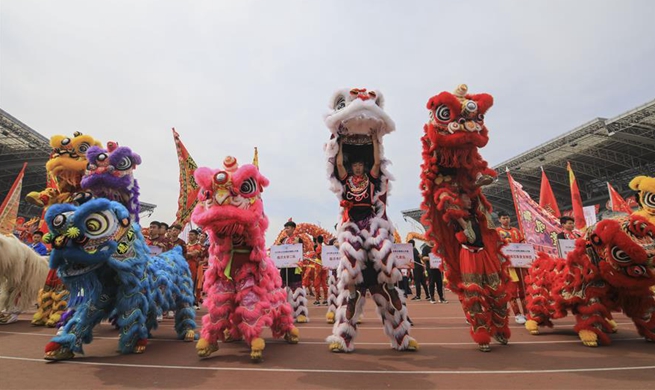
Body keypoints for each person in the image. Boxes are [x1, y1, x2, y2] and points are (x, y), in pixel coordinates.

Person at [327, 130, 416, 353]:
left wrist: (376, 140)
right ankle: (343, 336)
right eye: (354, 165)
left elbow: (376, 161)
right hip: (352, 223)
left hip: (370, 221)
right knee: (350, 277)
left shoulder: (371, 178)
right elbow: (338, 164)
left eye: (359, 165)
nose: (357, 168)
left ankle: (401, 333)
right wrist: (338, 142)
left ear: (363, 167)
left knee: (385, 270)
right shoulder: (346, 180)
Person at [453, 192, 510, 352]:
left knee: (498, 293)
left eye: (472, 198)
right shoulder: (454, 219)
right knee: (474, 297)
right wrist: (459, 218)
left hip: (486, 255)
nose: (470, 200)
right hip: (468, 256)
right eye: (466, 197)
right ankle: (482, 334)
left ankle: (499, 330)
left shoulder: (480, 216)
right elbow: (468, 238)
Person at [496, 211, 526, 324]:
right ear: (499, 220)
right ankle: (518, 314)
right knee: (512, 290)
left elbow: (523, 243)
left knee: (523, 289)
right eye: (504, 218)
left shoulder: (516, 231)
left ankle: (526, 313)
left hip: (520, 264)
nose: (506, 220)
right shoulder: (497, 232)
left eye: (507, 217)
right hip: (508, 266)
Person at [277, 219, 308, 323]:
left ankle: (300, 313)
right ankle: (283, 313)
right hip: (284, 269)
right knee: (283, 291)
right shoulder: (282, 241)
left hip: (294, 269)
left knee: (297, 291)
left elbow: (300, 252)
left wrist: (296, 244)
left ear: (294, 229)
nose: (286, 230)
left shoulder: (298, 240)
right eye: (285, 228)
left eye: (288, 228)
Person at [186, 229, 204, 309]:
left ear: (197, 236)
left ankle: (192, 301)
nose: (190, 236)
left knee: (192, 284)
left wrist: (185, 254)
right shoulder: (186, 245)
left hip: (192, 265)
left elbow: (193, 254)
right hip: (184, 265)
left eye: (192, 235)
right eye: (189, 235)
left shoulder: (198, 246)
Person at [313, 236, 328, 305]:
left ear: (316, 240)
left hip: (319, 266)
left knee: (317, 283)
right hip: (324, 265)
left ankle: (317, 300)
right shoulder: (324, 247)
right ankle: (325, 299)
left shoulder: (318, 248)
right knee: (324, 282)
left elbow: (319, 256)